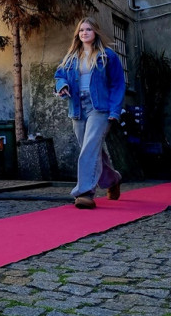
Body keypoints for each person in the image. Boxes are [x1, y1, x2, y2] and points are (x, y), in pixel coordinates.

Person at [54, 17, 125, 209]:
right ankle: (113, 179)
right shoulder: (70, 58)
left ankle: (84, 192)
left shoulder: (107, 56)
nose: (84, 33)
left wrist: (115, 110)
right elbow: (59, 76)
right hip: (77, 107)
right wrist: (62, 86)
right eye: (81, 30)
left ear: (96, 33)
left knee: (89, 148)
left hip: (99, 108)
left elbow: (118, 84)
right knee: (91, 149)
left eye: (89, 30)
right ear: (78, 34)